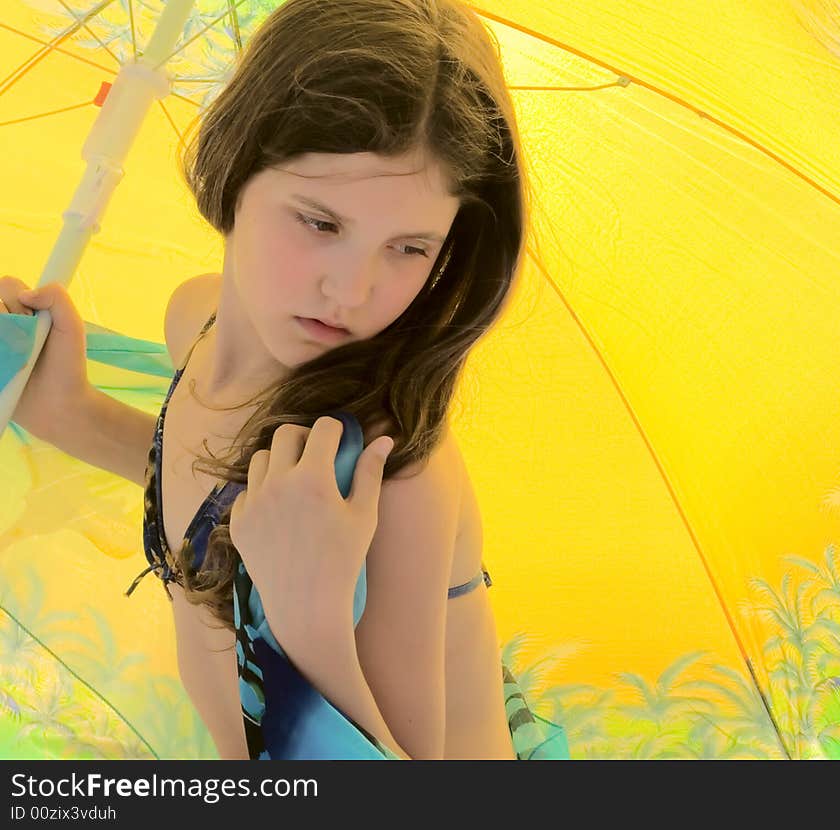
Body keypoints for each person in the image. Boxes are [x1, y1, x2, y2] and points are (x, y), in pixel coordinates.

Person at [0, 0, 566, 760]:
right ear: (235, 168)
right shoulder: (195, 320)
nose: (352, 292)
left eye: (408, 247)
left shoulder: (388, 476)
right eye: (321, 223)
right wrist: (71, 412)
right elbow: (219, 490)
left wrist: (310, 625)